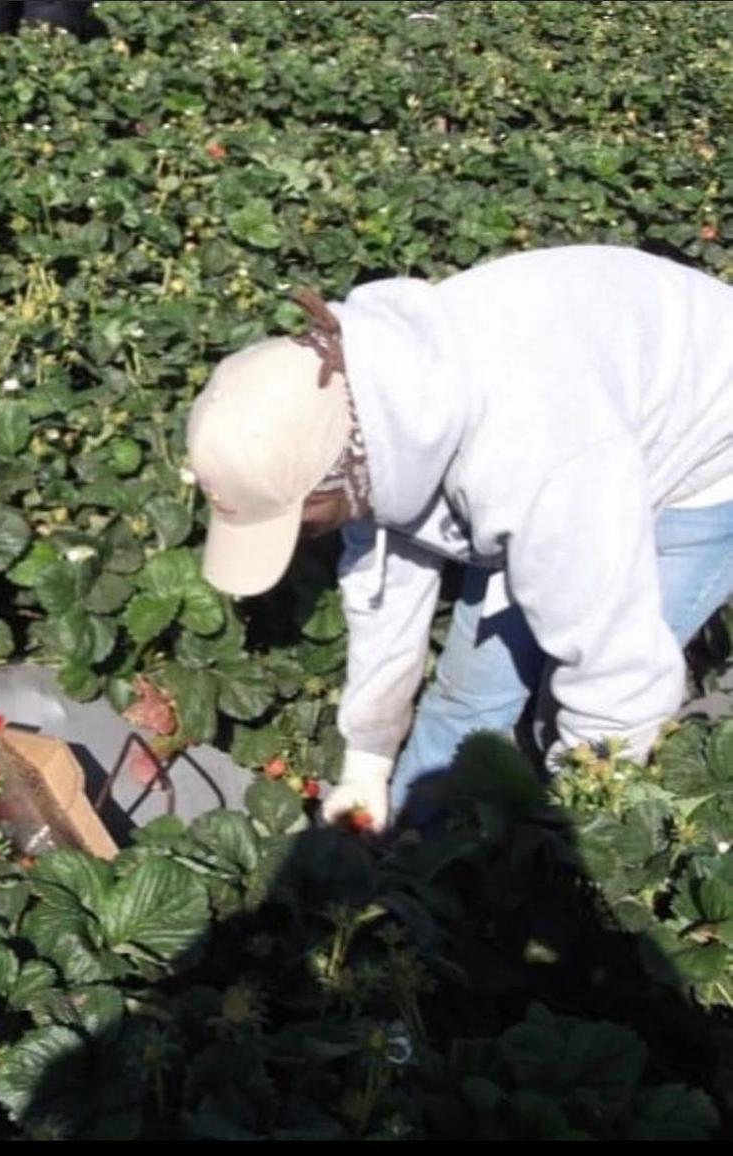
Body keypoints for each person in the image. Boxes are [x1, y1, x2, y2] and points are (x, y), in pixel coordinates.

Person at [185, 245, 733, 832]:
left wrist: (578, 834)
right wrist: (366, 761)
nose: (304, 537)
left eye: (299, 521)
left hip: (704, 455)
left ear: (334, 481)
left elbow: (618, 672)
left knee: (581, 707)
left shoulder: (533, 460)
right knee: (471, 697)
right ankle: (411, 862)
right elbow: (385, 587)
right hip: (588, 422)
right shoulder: (358, 409)